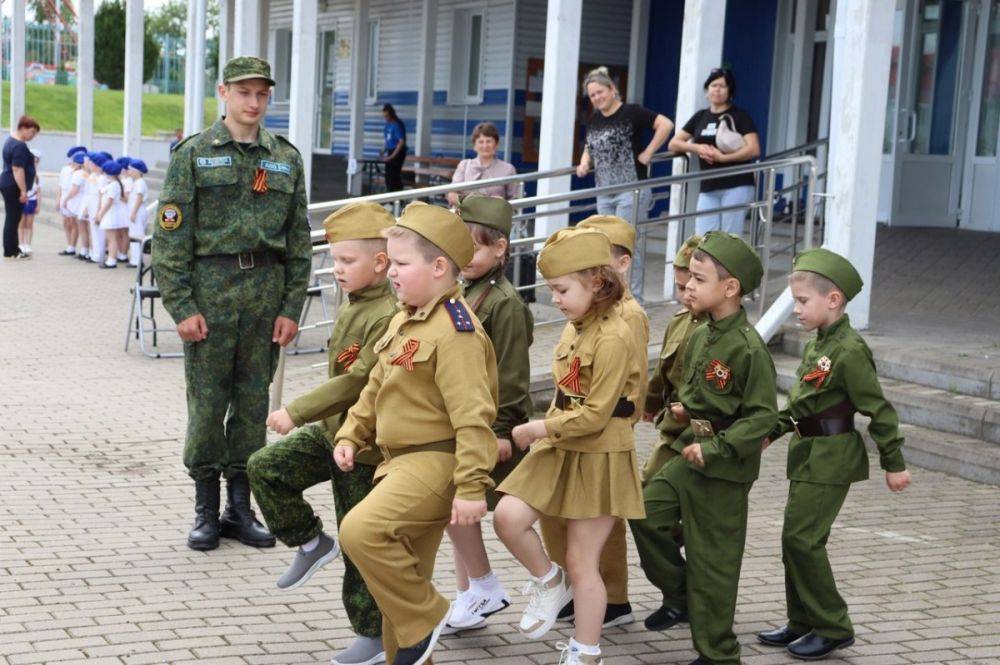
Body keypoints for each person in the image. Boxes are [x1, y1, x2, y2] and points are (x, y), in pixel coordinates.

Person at [152, 56, 312, 551]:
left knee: (250, 405)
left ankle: (238, 510)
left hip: (264, 297)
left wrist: (291, 308)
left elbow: (299, 240)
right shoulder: (194, 155)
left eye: (262, 93)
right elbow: (170, 239)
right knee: (206, 405)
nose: (254, 102)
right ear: (224, 92)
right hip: (211, 294)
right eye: (244, 92)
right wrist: (181, 307)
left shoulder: (285, 157)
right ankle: (205, 508)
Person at [332, 202, 499, 665]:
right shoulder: (407, 317)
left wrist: (470, 487)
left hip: (434, 463)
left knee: (361, 531)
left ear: (440, 266)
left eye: (402, 264)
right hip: (398, 463)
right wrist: (350, 434)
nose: (392, 273)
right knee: (399, 597)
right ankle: (413, 640)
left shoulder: (456, 332)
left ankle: (430, 614)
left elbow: (473, 418)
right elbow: (375, 387)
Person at [248, 202, 397, 665]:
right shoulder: (355, 302)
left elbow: (356, 382)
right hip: (334, 434)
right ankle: (311, 542)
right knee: (265, 468)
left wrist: (296, 410)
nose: (337, 270)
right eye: (334, 260)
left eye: (347, 261)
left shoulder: (387, 313)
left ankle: (373, 636)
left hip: (364, 445)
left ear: (381, 262)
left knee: (358, 541)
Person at [494, 227, 645, 665]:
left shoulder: (615, 333)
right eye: (552, 290)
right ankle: (547, 580)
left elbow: (598, 414)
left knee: (583, 562)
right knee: (508, 516)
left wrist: (537, 429)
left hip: (598, 451)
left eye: (561, 289)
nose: (555, 299)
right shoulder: (576, 326)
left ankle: (585, 651)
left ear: (596, 283)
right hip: (563, 442)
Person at [629, 231, 777, 665]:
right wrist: (676, 414)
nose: (687, 286)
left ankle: (719, 654)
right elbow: (693, 397)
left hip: (723, 466)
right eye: (688, 278)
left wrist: (715, 449)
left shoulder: (749, 348)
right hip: (689, 452)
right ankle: (684, 597)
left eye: (698, 278)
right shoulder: (700, 335)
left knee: (715, 561)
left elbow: (762, 417)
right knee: (644, 513)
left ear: (729, 288)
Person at [756, 248, 912, 661]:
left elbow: (878, 409)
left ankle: (833, 626)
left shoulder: (849, 350)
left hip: (832, 458)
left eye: (803, 302)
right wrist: (771, 431)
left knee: (802, 540)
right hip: (807, 454)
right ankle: (802, 620)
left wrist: (893, 464)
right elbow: (802, 401)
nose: (797, 311)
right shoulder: (820, 344)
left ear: (834, 300)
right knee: (795, 541)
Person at [540, 214, 649, 632]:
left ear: (618, 265)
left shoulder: (627, 317)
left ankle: (613, 596)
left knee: (602, 519)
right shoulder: (584, 310)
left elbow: (631, 384)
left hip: (602, 428)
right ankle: (577, 589)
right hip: (573, 422)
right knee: (559, 511)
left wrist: (620, 424)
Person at [443, 195, 533, 635]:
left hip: (491, 428)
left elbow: (514, 378)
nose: (467, 256)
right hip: (467, 423)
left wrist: (502, 432)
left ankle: (504, 587)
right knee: (459, 515)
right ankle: (470, 597)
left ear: (500, 248)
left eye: (476, 248)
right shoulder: (466, 289)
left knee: (463, 509)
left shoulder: (504, 303)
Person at [575, 67, 673, 299]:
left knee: (627, 246)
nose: (597, 98)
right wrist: (584, 161)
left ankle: (632, 298)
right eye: (592, 95)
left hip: (632, 190)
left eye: (600, 92)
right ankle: (612, 295)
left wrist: (649, 152)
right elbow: (591, 144)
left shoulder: (632, 112)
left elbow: (665, 124)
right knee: (606, 246)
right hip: (604, 191)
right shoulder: (595, 119)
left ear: (612, 89)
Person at [640, 235, 706, 483]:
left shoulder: (718, 330)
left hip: (700, 430)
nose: (687, 294)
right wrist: (650, 402)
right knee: (648, 488)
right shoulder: (679, 321)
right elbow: (663, 370)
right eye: (680, 288)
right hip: (673, 426)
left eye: (693, 284)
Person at [668, 68, 762, 236]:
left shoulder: (739, 116)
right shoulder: (701, 116)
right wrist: (696, 148)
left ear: (730, 92)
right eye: (713, 85)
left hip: (736, 184)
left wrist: (723, 158)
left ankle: (728, 264)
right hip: (708, 187)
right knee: (704, 238)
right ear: (707, 90)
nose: (717, 89)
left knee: (729, 238)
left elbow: (754, 149)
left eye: (723, 86)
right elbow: (674, 143)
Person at [446, 123, 519, 207]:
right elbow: (451, 194)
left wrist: (502, 202)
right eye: (480, 142)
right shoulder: (464, 165)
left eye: (489, 141)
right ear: (474, 146)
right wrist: (471, 202)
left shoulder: (508, 169)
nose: (485, 146)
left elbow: (515, 200)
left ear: (496, 144)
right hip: (466, 217)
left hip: (494, 218)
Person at [1, 115, 40, 259]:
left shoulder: (11, 140)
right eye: (32, 132)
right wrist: (23, 190)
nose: (33, 136)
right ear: (23, 128)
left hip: (8, 183)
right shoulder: (19, 146)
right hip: (13, 185)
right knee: (13, 218)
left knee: (13, 217)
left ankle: (11, 249)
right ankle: (11, 251)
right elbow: (18, 169)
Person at [95, 160, 130, 269]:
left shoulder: (113, 185)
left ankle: (111, 260)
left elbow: (109, 202)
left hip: (110, 214)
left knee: (111, 238)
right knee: (111, 238)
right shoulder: (113, 184)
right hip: (110, 213)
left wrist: (100, 214)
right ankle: (112, 259)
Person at [57, 146, 87, 256]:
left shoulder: (82, 171)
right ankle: (68, 244)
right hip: (65, 196)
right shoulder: (65, 169)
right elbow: (60, 185)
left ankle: (72, 246)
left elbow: (76, 188)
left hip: (74, 197)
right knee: (66, 222)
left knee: (73, 222)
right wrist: (59, 199)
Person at [84, 152, 109, 265]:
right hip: (91, 203)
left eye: (92, 163)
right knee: (94, 229)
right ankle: (95, 252)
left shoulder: (102, 178)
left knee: (98, 230)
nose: (89, 165)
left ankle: (99, 254)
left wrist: (99, 210)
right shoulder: (93, 176)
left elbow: (100, 195)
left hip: (96, 204)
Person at [64, 152, 90, 260]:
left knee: (82, 227)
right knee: (84, 227)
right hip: (84, 201)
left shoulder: (78, 173)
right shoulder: (85, 173)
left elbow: (75, 189)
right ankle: (86, 249)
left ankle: (85, 250)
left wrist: (65, 199)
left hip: (79, 202)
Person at [17, 150, 42, 257]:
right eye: (33, 160)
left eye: (37, 161)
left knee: (29, 223)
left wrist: (38, 205)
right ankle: (21, 243)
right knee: (21, 223)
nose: (34, 163)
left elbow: (39, 192)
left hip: (32, 200)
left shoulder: (38, 176)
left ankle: (28, 244)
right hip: (23, 199)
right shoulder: (23, 172)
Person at [126, 159, 150, 268]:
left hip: (138, 211)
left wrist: (133, 212)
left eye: (130, 170)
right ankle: (136, 259)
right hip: (135, 211)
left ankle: (137, 260)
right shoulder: (136, 182)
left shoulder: (140, 183)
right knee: (134, 235)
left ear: (137, 171)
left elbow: (139, 198)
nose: (128, 172)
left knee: (137, 236)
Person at [381, 103, 407, 193]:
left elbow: (401, 142)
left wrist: (392, 156)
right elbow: (387, 139)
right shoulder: (387, 124)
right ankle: (390, 195)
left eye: (387, 116)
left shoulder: (397, 124)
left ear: (391, 114)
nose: (386, 118)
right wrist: (383, 149)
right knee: (388, 175)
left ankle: (399, 198)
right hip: (390, 150)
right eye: (384, 116)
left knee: (394, 175)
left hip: (398, 152)